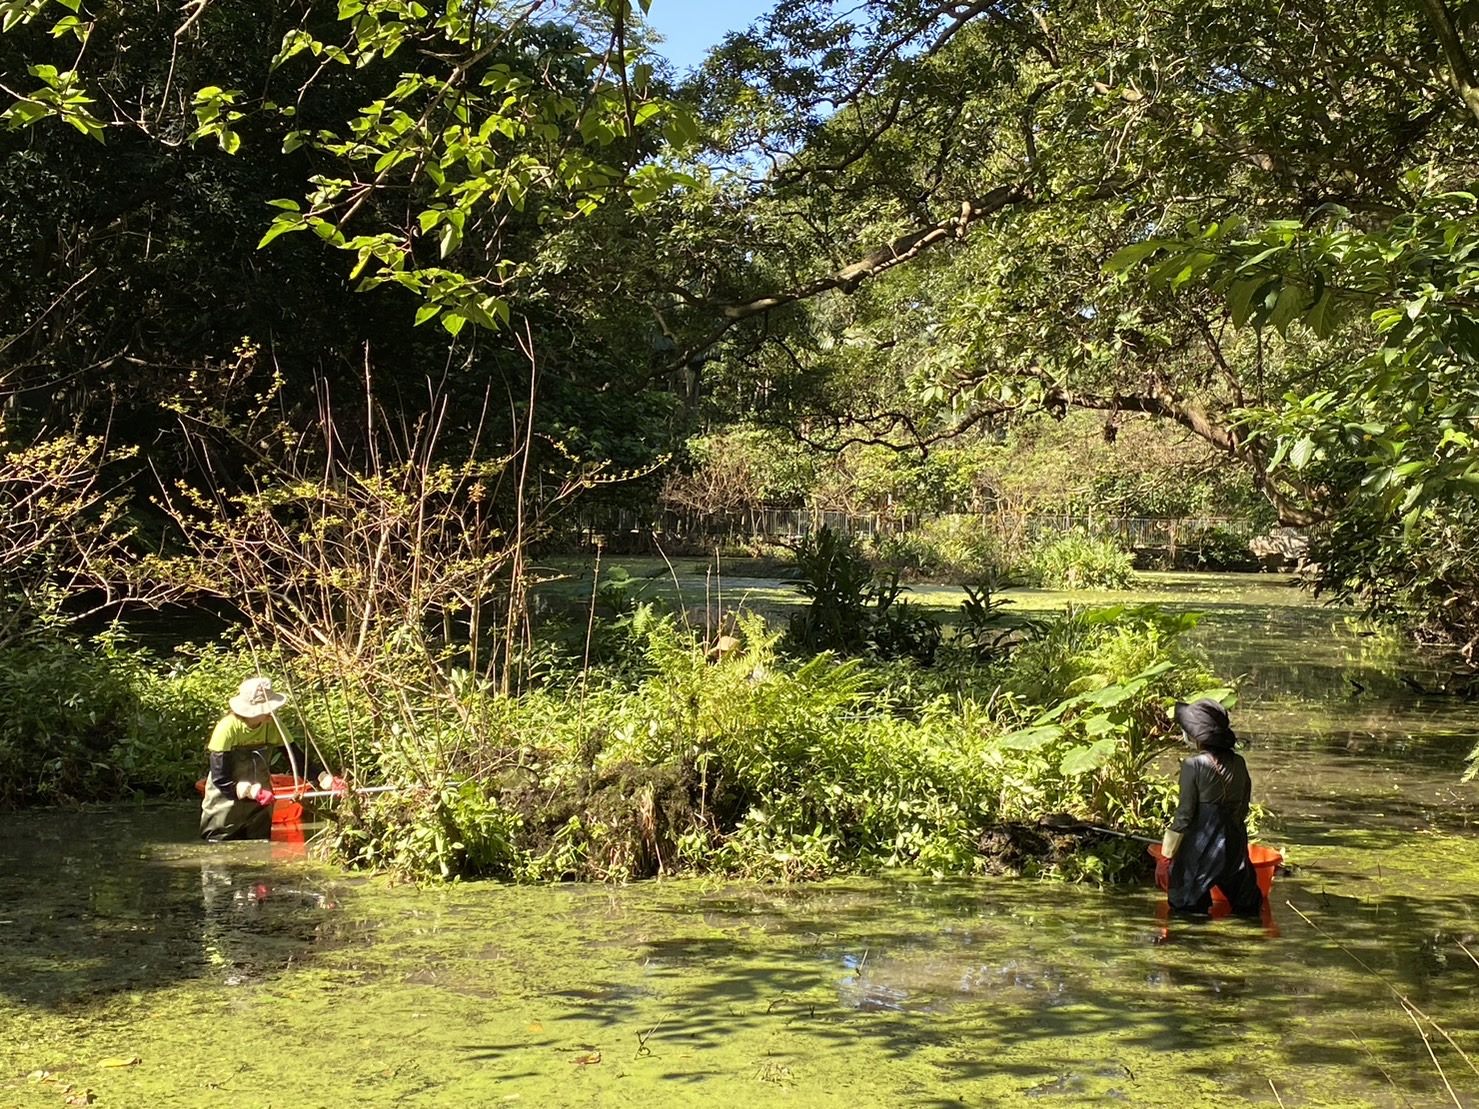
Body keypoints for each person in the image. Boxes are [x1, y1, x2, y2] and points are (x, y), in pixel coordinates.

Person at [1160, 698, 1262, 916]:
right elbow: (1243, 807)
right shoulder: (1239, 763)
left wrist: (1165, 856)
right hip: (1234, 843)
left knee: (1186, 905)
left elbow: (1184, 815)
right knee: (1247, 907)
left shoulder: (1193, 765)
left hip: (1202, 846)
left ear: (1196, 735)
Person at [200, 675, 309, 842]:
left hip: (260, 806)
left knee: (259, 847)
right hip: (225, 803)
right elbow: (220, 778)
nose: (272, 713)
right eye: (267, 709)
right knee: (218, 851)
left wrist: (324, 778)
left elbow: (297, 760)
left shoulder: (273, 725)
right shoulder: (227, 728)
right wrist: (250, 792)